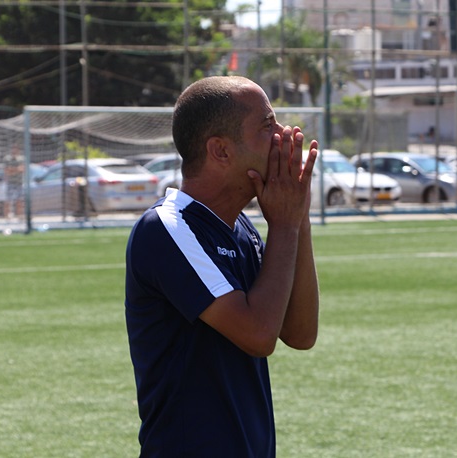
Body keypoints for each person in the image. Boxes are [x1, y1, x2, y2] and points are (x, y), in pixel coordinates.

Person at [124, 76, 320, 457]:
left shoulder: (242, 230)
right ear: (221, 151)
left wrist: (298, 219)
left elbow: (300, 333)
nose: (283, 135)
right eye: (267, 125)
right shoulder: (166, 228)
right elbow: (259, 335)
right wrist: (284, 224)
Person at [3, 146, 24, 218]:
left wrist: (12, 170)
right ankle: (7, 216)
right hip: (10, 182)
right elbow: (7, 171)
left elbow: (22, 169)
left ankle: (19, 215)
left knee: (20, 200)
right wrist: (17, 169)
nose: (14, 151)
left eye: (16, 149)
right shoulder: (7, 159)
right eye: (13, 149)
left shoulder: (21, 159)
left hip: (19, 182)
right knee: (8, 200)